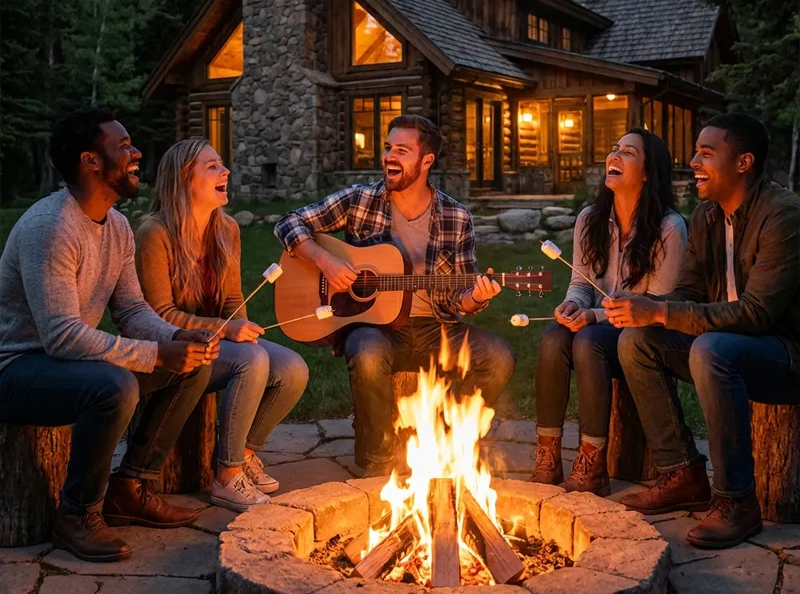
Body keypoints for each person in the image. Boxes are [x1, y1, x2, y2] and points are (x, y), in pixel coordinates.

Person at [0, 110, 221, 563]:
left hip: (65, 363)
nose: (136, 153)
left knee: (193, 367)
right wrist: (157, 353)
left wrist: (179, 336)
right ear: (90, 161)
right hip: (18, 367)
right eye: (124, 147)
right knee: (113, 387)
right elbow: (60, 336)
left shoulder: (117, 225)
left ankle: (130, 486)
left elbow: (132, 310)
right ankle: (77, 514)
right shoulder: (51, 227)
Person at [274, 114, 515, 476]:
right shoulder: (361, 199)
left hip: (436, 327)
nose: (389, 156)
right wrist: (327, 263)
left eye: (401, 150)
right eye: (388, 148)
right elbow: (288, 223)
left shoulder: (455, 216)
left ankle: (445, 441)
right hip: (377, 327)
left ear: (426, 161)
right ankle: (378, 460)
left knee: (498, 357)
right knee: (367, 352)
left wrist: (476, 298)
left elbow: (458, 297)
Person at [605, 114, 800, 549]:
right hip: (723, 346)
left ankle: (737, 502)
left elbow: (756, 315)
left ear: (744, 162)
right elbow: (689, 290)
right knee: (636, 341)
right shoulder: (708, 216)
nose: (693, 161)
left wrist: (659, 311)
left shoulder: (782, 216)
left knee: (711, 349)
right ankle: (682, 474)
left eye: (707, 154)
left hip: (784, 354)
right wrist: (646, 311)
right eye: (696, 152)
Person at [135, 139, 309, 512]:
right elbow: (156, 314)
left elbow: (233, 301)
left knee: (293, 369)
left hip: (216, 343)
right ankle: (227, 478)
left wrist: (241, 328)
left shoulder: (226, 228)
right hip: (174, 350)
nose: (225, 171)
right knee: (252, 362)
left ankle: (243, 454)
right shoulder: (155, 233)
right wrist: (226, 330)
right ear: (184, 180)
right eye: (212, 166)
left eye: (222, 164)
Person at [531, 128, 687, 495]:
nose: (613, 156)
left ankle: (592, 462)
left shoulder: (669, 227)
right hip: (597, 326)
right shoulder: (590, 218)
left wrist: (593, 318)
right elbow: (582, 282)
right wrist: (574, 304)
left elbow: (654, 307)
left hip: (640, 336)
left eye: (628, 153)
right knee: (554, 339)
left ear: (648, 172)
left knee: (588, 341)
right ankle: (548, 454)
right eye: (614, 149)